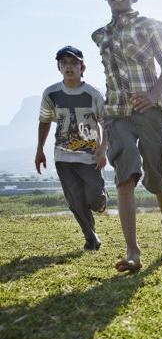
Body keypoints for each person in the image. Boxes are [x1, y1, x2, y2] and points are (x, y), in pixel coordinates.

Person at [93, 0, 162, 271]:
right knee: (125, 173)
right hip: (116, 112)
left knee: (156, 176)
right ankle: (133, 251)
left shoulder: (150, 26)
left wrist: (153, 95)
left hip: (149, 110)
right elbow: (110, 81)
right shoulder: (100, 36)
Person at [35, 46, 107, 251]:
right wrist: (39, 149)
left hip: (90, 158)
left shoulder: (93, 94)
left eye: (74, 63)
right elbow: (45, 120)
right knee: (75, 201)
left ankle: (100, 199)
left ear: (82, 67)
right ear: (59, 67)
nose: (69, 67)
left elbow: (106, 123)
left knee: (93, 198)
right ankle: (91, 240)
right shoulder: (51, 93)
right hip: (63, 157)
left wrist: (102, 149)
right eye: (64, 63)